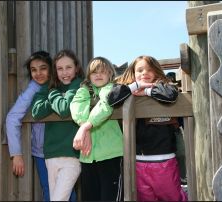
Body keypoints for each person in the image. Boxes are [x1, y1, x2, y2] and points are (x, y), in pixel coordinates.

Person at [107, 55, 187, 201]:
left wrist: (147, 92)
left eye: (149, 69)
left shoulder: (164, 86)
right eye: (140, 70)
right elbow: (111, 99)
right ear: (133, 73)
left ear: (156, 72)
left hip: (165, 161)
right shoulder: (127, 90)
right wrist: (136, 86)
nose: (144, 73)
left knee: (173, 197)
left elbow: (170, 95)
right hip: (138, 162)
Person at [31, 49, 84, 201]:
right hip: (50, 154)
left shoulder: (77, 84)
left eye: (68, 67)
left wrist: (53, 93)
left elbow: (64, 109)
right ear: (55, 70)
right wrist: (56, 96)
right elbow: (36, 111)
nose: (64, 72)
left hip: (71, 154)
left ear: (76, 68)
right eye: (60, 68)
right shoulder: (47, 86)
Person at [70, 57, 124, 201]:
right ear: (89, 76)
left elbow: (106, 104)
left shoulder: (112, 88)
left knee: (110, 197)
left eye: (103, 72)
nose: (98, 75)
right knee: (90, 197)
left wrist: (87, 126)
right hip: (88, 157)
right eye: (94, 72)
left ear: (110, 75)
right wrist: (83, 126)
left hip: (111, 153)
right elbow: (76, 105)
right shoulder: (84, 90)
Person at [6, 51, 52, 201]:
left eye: (43, 68)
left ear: (51, 69)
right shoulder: (33, 89)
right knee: (49, 190)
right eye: (33, 70)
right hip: (42, 152)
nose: (38, 73)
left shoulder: (60, 84)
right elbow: (12, 117)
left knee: (68, 191)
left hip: (64, 148)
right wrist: (16, 153)